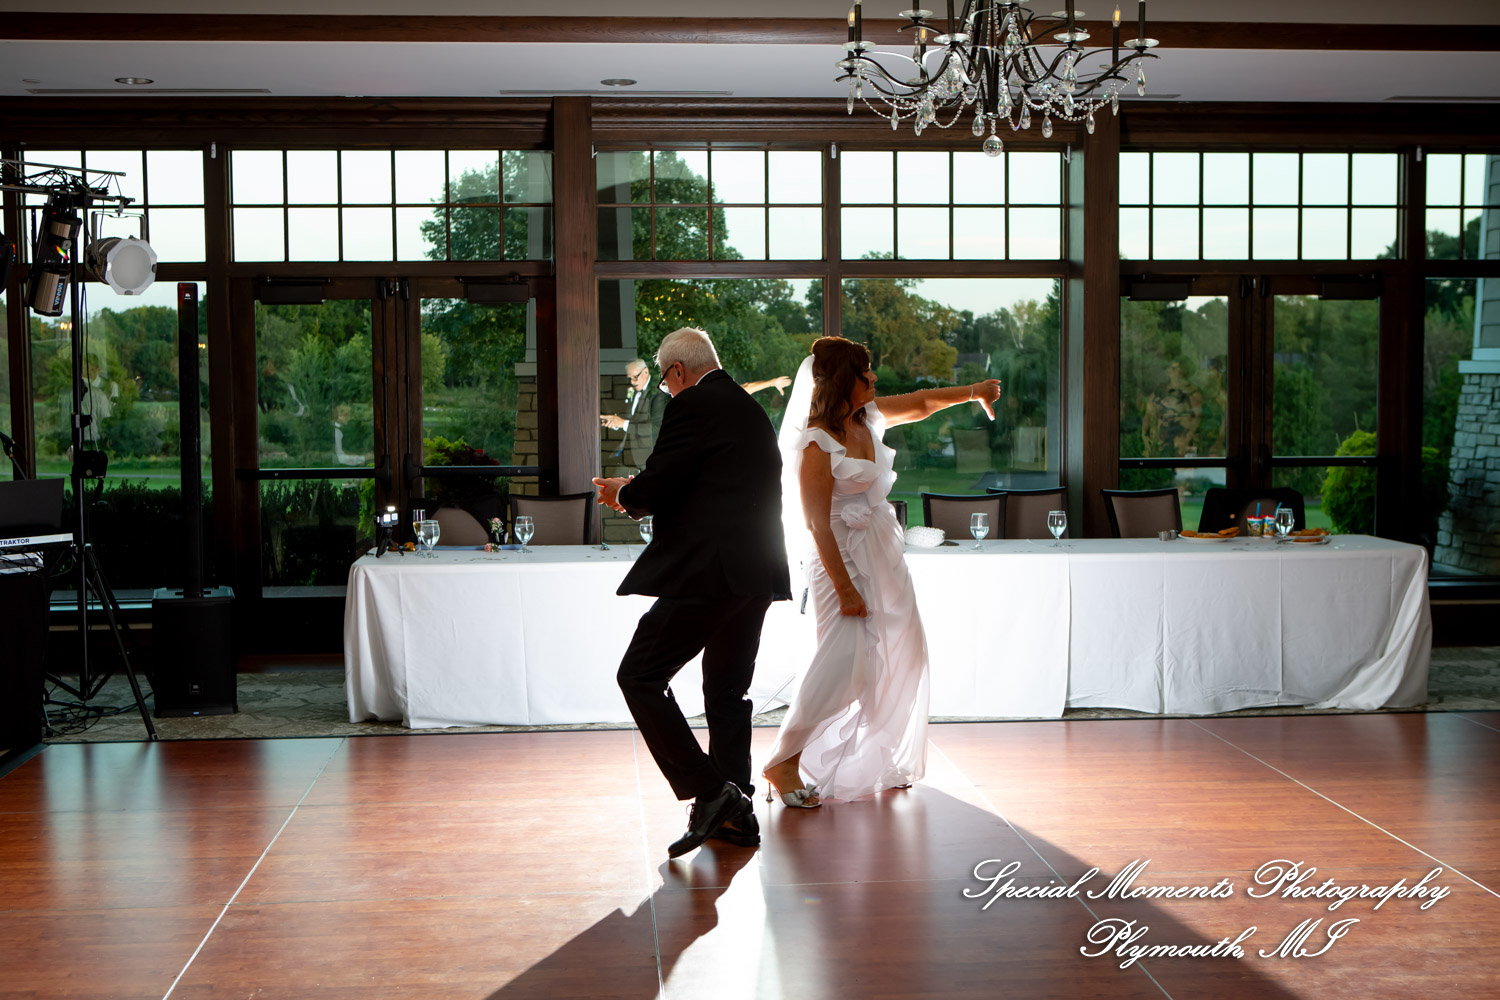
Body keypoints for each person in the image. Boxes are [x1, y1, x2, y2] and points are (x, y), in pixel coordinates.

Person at [762, 336, 1001, 806]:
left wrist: (974, 392)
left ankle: (876, 754)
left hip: (879, 549)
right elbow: (816, 523)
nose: (873, 377)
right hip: (838, 557)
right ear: (840, 380)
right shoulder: (816, 442)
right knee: (842, 660)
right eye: (864, 371)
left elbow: (922, 403)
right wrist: (845, 589)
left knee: (901, 650)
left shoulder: (867, 417)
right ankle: (783, 760)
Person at [593, 328, 792, 858]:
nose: (666, 389)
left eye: (664, 381)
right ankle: (736, 814)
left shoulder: (693, 404)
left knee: (639, 674)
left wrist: (622, 494)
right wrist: (640, 490)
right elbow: (707, 483)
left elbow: (660, 484)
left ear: (678, 371)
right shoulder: (746, 407)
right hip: (755, 573)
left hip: (711, 573)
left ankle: (710, 792)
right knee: (727, 693)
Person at [600, 359, 668, 473]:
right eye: (629, 378)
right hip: (628, 455)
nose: (632, 382)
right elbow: (631, 419)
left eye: (635, 377)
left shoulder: (657, 394)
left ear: (645, 372)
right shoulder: (634, 391)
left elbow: (654, 428)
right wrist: (615, 422)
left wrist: (623, 423)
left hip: (647, 458)